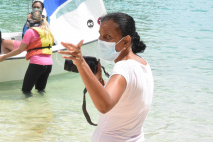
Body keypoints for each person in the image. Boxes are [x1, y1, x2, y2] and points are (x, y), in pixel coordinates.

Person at [58, 12, 154, 141]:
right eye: (100, 35)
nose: (101, 40)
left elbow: (104, 106)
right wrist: (99, 82)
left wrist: (81, 62)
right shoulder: (143, 64)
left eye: (108, 36)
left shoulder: (123, 68)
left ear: (125, 41)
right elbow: (124, 103)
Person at [0, 11, 54, 95]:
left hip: (37, 64)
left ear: (32, 21)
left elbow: (19, 50)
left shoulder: (30, 32)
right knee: (41, 91)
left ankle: (27, 107)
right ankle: (43, 107)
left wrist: (4, 57)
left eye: (28, 19)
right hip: (49, 64)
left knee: (26, 91)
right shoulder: (47, 31)